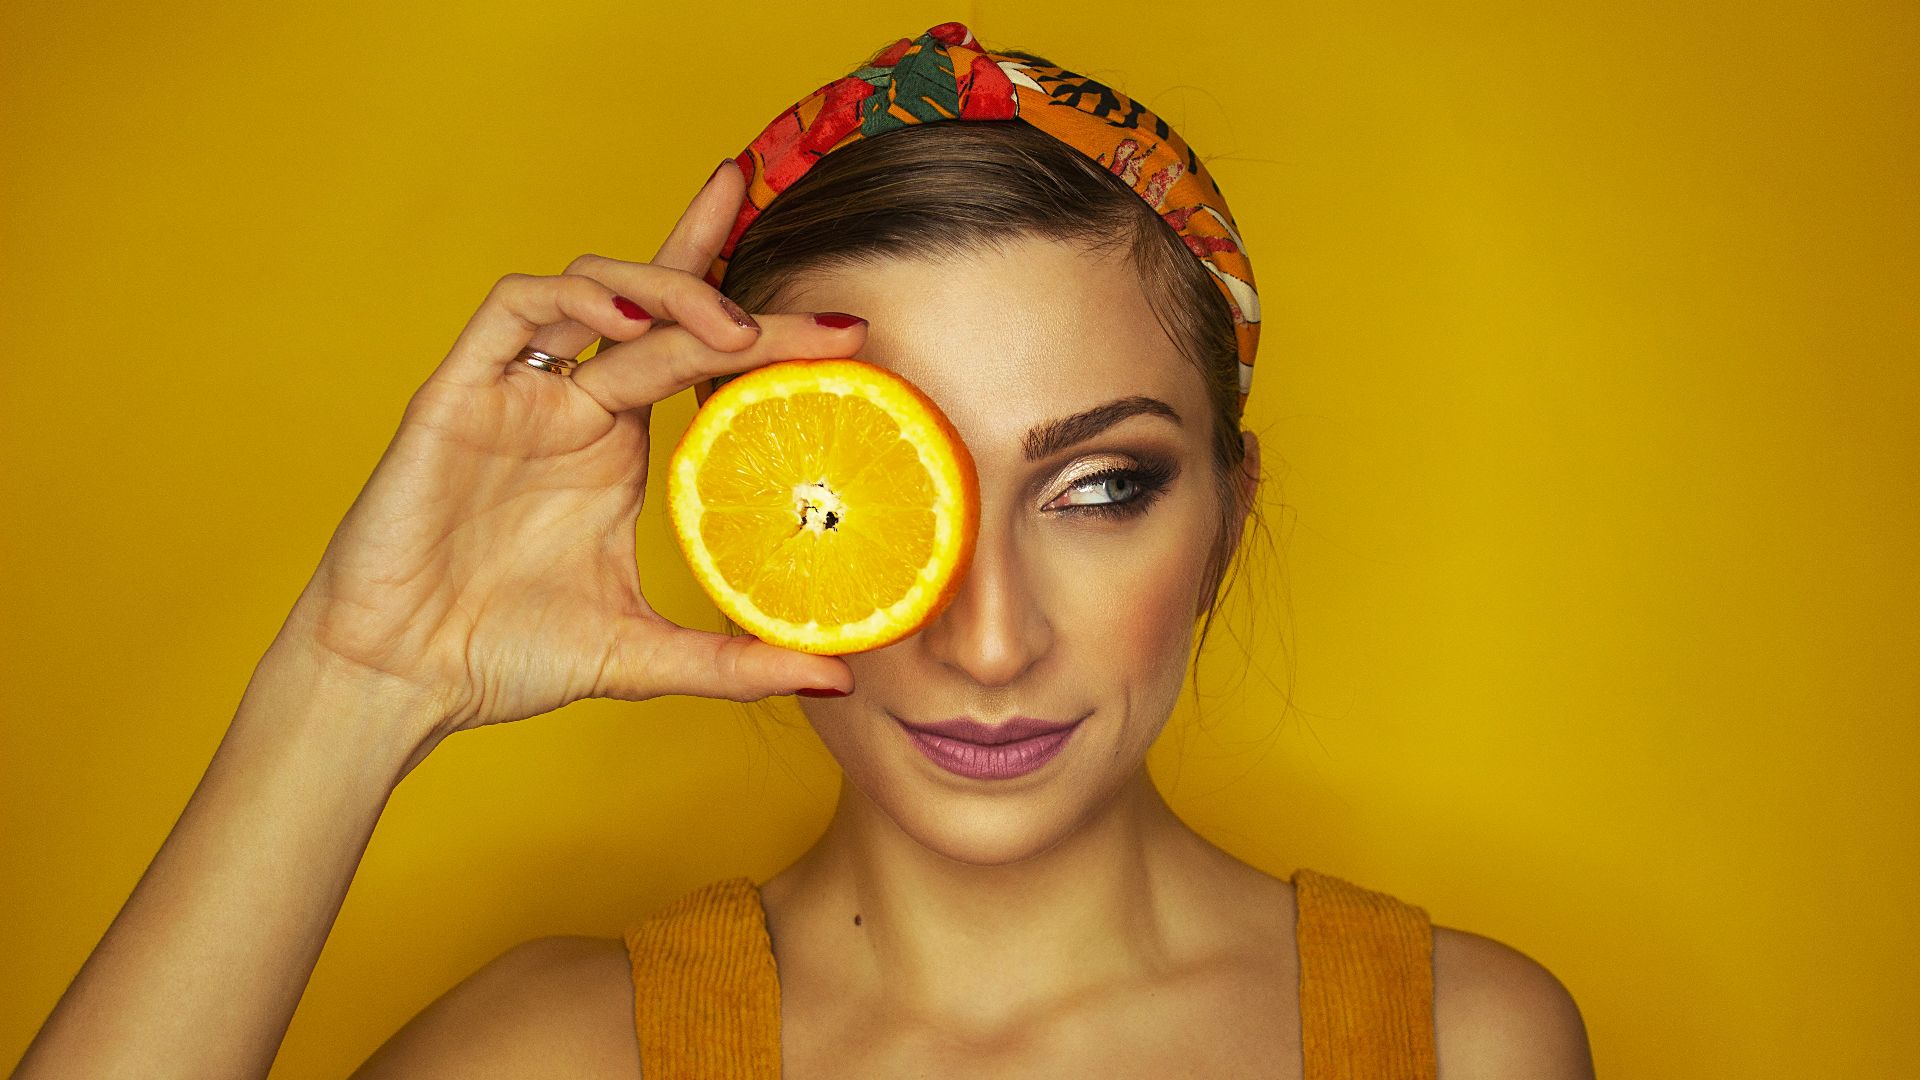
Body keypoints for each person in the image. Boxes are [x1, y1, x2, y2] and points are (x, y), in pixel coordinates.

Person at [10, 22, 1595, 1079]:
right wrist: (357, 680)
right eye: (879, 491)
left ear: (1226, 519)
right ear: (751, 516)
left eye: (1100, 486)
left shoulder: (1459, 1042)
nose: (988, 640)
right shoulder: (552, 1056)